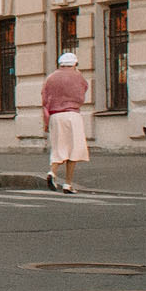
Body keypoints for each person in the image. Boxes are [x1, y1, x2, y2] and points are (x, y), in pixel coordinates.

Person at [43, 49, 91, 193]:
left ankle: (52, 172)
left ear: (60, 64)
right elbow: (83, 92)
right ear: (75, 63)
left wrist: (46, 122)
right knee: (74, 149)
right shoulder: (78, 77)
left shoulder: (51, 78)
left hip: (55, 116)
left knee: (59, 147)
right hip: (72, 115)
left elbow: (45, 100)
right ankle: (68, 184)